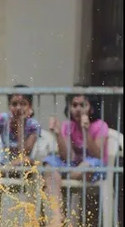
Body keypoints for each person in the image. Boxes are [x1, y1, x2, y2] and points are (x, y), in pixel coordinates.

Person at [44, 89, 109, 226]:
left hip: (92, 167)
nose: (78, 109)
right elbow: (68, 157)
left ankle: (62, 176)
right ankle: (57, 217)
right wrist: (58, 134)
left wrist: (85, 131)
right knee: (50, 164)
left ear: (90, 108)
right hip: (73, 166)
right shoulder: (68, 126)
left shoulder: (100, 126)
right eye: (74, 105)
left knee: (88, 165)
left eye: (82, 105)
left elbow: (98, 154)